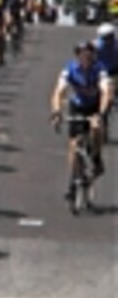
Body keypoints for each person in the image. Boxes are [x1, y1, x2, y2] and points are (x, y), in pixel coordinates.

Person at [50, 42, 111, 198]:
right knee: (73, 144)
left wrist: (101, 113)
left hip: (95, 106)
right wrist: (56, 111)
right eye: (82, 55)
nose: (85, 58)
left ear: (93, 56)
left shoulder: (99, 70)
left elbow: (106, 93)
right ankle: (72, 180)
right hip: (77, 106)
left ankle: (96, 158)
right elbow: (59, 91)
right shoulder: (69, 69)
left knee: (96, 127)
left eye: (88, 55)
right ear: (77, 56)